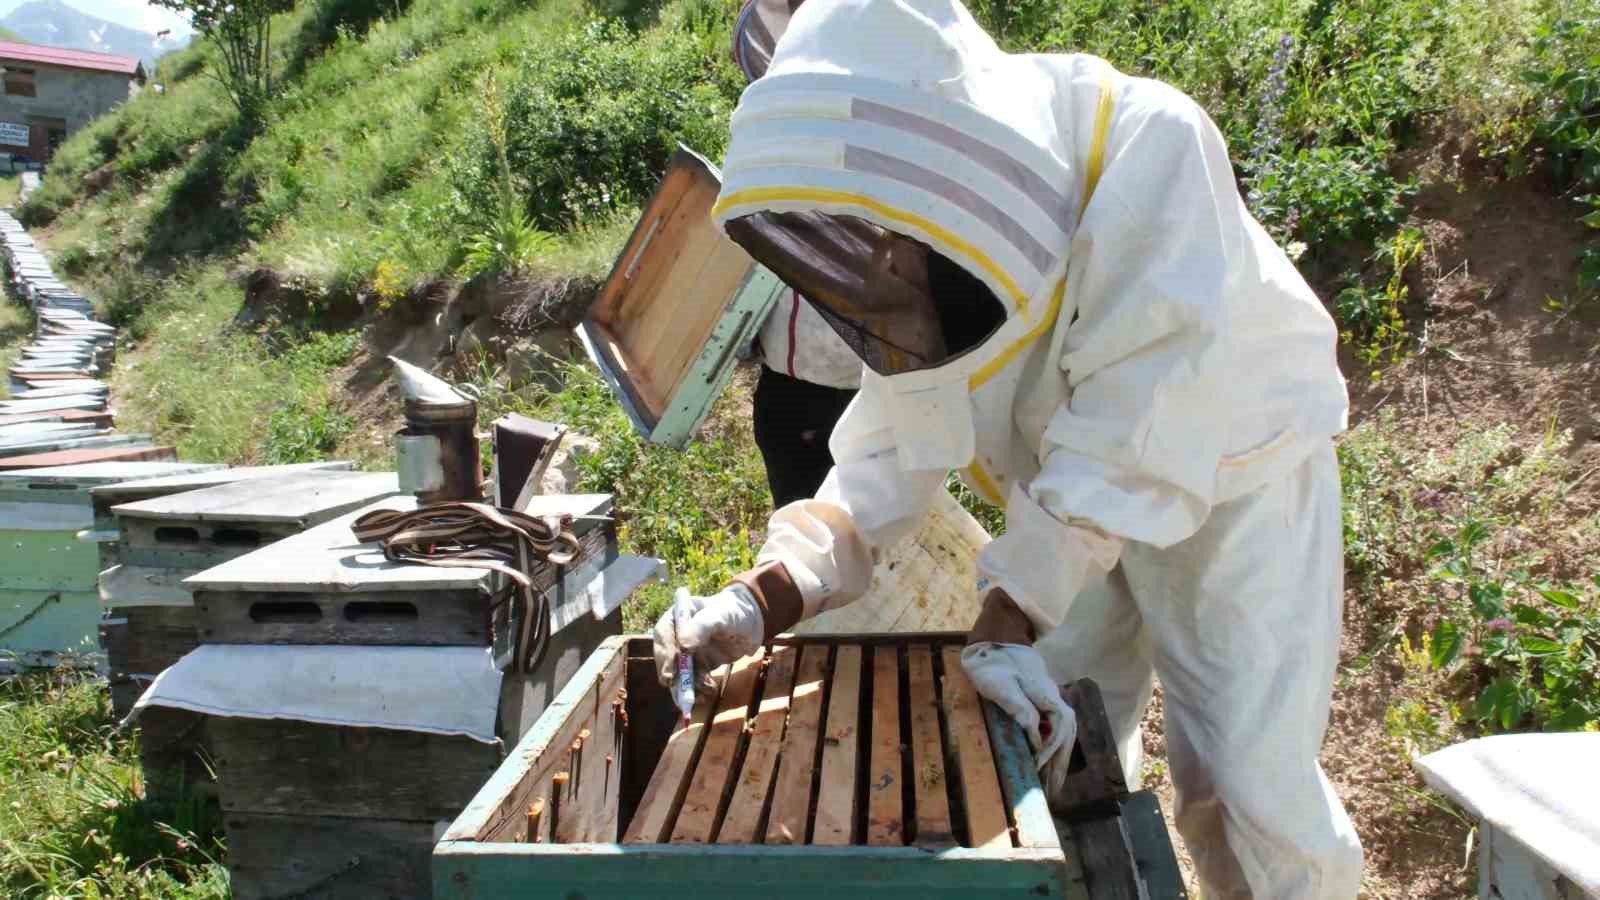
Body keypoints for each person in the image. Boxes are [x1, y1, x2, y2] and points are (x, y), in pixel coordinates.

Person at [655, 0, 1363, 896]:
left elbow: (1141, 417)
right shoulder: (923, 243)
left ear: (924, 127)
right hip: (1064, 502)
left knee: (1244, 783)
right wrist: (765, 596)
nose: (873, 256)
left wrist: (1012, 608)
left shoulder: (1143, 142)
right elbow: (888, 443)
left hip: (1236, 479)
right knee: (1056, 734)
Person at [735, 0, 862, 508]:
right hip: (799, 391)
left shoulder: (873, 135)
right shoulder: (768, 136)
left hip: (854, 391)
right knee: (807, 545)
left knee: (889, 553)